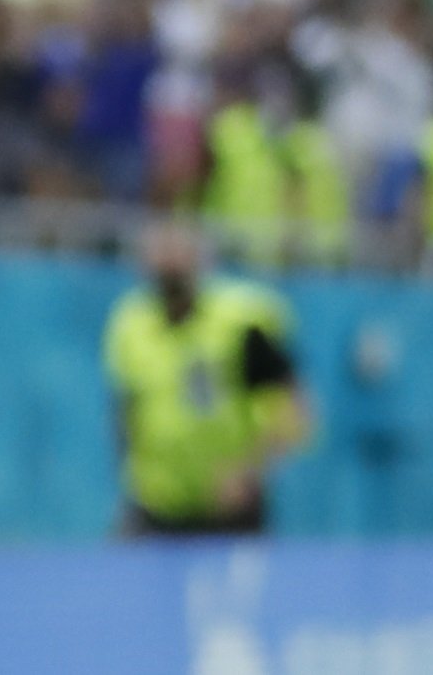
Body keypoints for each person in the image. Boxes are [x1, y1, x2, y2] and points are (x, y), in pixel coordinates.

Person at [101, 221, 309, 537]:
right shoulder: (131, 323)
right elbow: (125, 407)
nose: (168, 259)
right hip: (156, 508)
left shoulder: (239, 324)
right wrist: (133, 477)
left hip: (228, 511)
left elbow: (294, 408)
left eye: (178, 249)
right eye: (161, 249)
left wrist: (251, 473)